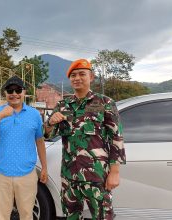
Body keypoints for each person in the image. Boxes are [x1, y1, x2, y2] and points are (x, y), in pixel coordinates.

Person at [44, 59, 126, 220]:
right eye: (73, 75)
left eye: (82, 74)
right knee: (71, 217)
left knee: (103, 216)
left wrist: (115, 172)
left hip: (97, 175)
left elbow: (116, 137)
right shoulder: (62, 105)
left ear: (91, 77)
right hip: (69, 177)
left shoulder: (104, 103)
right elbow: (49, 134)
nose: (77, 78)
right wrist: (50, 122)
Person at [0, 75, 48, 220]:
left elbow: (40, 141)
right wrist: (0, 116)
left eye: (18, 90)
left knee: (27, 215)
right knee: (2, 216)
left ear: (24, 92)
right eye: (10, 90)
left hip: (27, 175)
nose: (14, 94)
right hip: (1, 175)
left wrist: (45, 168)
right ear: (5, 93)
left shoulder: (34, 114)